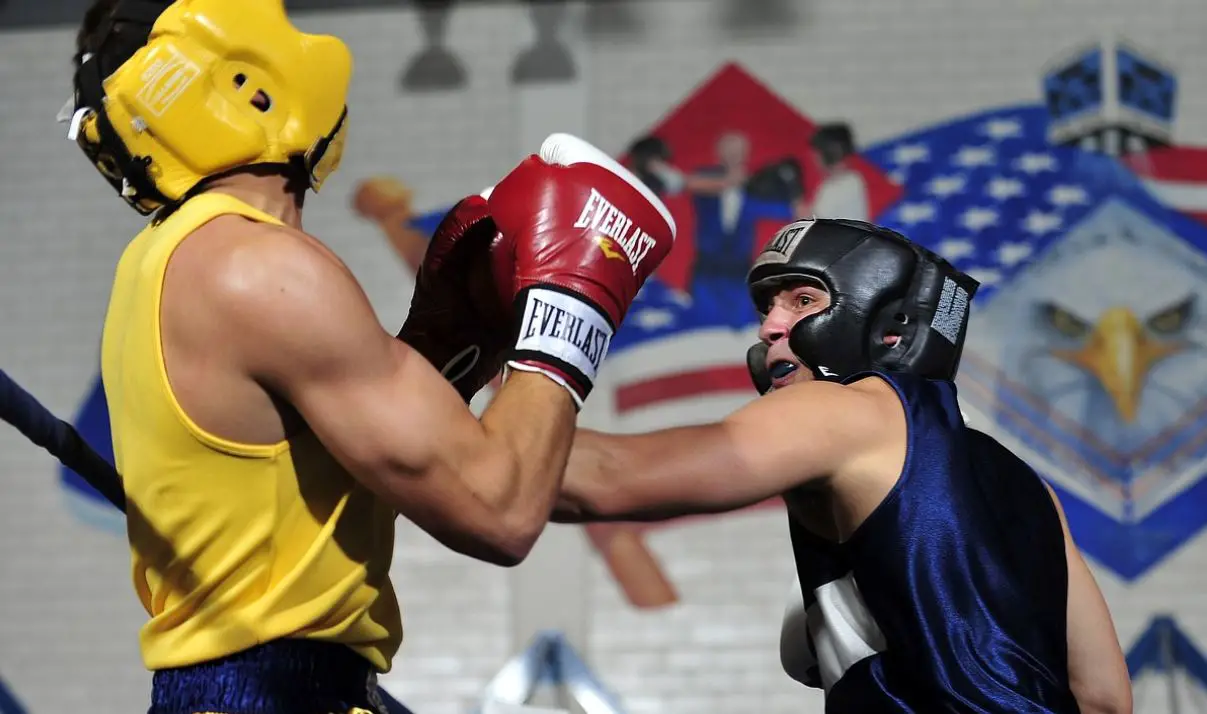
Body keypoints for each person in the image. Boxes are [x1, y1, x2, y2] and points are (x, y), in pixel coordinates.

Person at [61, 0, 674, 711]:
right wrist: (572, 305)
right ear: (243, 84)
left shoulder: (172, 262)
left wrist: (452, 344)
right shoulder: (258, 269)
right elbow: (500, 510)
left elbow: (314, 485)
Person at [554, 218, 1133, 713]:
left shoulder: (844, 413)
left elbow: (602, 478)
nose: (769, 327)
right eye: (768, 307)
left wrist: (550, 334)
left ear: (887, 326)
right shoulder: (1021, 481)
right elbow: (1105, 698)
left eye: (803, 300)